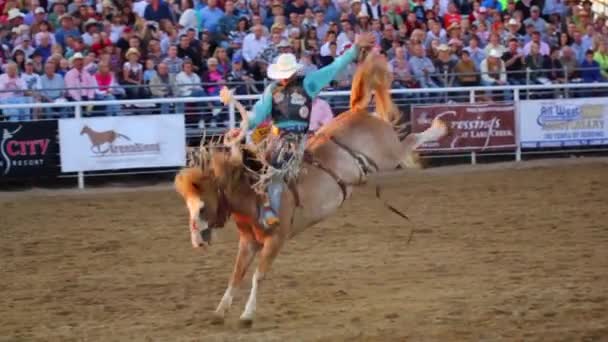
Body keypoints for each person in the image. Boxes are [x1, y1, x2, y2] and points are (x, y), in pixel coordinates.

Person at [228, 32, 376, 230]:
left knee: (276, 169)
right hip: (277, 137)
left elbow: (333, 68)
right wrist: (243, 127)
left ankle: (272, 211)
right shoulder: (273, 90)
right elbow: (257, 113)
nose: (283, 79)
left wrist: (354, 51)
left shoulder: (307, 84)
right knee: (259, 166)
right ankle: (261, 208)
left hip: (297, 140)